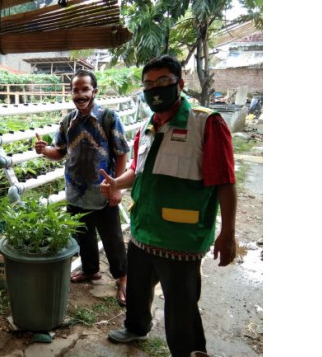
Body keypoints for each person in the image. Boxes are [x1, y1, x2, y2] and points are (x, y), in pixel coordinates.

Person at [99, 55, 237, 357]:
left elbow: (225, 181)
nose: (155, 89)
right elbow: (138, 169)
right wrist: (116, 183)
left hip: (180, 237)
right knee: (137, 288)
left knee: (181, 302)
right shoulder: (148, 125)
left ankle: (189, 352)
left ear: (180, 83)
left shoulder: (207, 123)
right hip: (143, 228)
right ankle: (136, 327)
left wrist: (228, 233)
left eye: (163, 82)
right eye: (148, 84)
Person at [33, 69, 129, 306]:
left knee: (113, 239)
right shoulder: (67, 121)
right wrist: (44, 150)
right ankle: (90, 269)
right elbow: (60, 151)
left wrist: (116, 187)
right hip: (76, 192)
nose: (80, 94)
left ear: (94, 91)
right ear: (71, 93)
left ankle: (123, 280)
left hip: (103, 191)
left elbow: (121, 152)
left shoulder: (108, 117)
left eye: (85, 89)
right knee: (83, 235)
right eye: (75, 90)